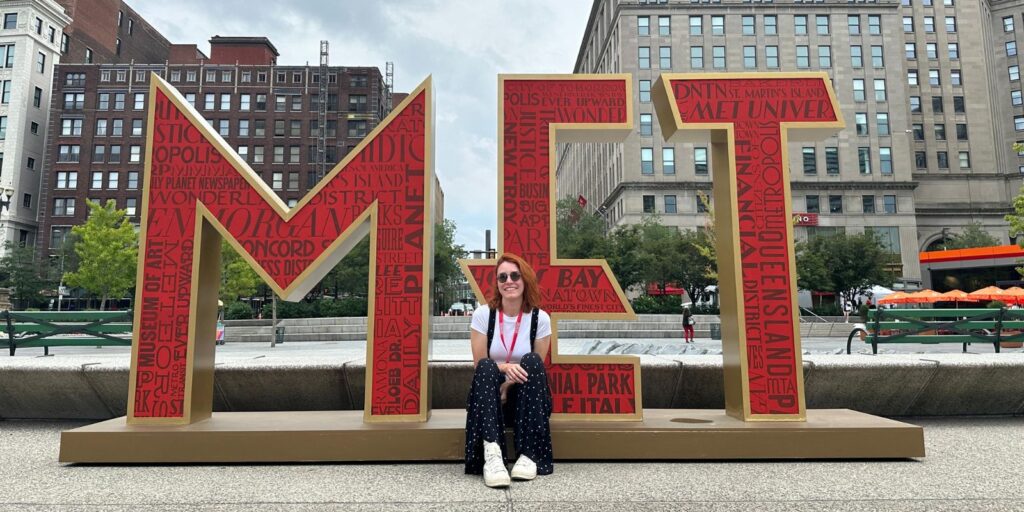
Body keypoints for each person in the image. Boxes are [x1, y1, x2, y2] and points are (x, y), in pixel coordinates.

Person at [464, 253, 553, 488]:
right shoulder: (484, 315)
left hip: (524, 400)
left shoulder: (539, 319)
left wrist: (507, 383)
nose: (509, 281)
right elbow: (479, 362)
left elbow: (535, 372)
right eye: (502, 277)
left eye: (515, 275)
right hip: (489, 400)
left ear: (525, 280)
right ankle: (492, 456)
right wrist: (504, 368)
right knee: (485, 367)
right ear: (497, 283)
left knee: (533, 361)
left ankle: (528, 455)